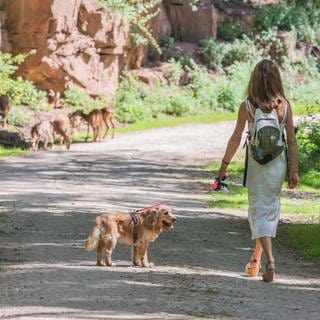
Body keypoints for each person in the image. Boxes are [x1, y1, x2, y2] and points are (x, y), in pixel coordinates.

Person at [217, 59, 298, 282]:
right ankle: (255, 260)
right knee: (269, 209)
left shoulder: (247, 106)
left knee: (258, 210)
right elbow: (291, 141)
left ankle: (269, 260)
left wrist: (223, 166)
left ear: (254, 79)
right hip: (278, 164)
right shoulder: (285, 106)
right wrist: (294, 171)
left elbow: (235, 138)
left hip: (256, 163)